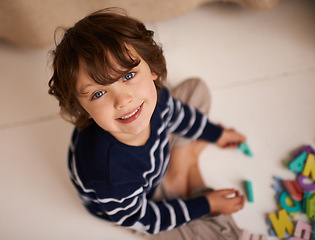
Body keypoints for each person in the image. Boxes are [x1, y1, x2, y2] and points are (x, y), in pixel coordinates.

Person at [48, 8, 246, 239]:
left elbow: (180, 115)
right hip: (139, 200)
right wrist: (207, 205)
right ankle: (184, 170)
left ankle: (179, 170)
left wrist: (217, 135)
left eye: (129, 76)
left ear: (152, 69)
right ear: (83, 109)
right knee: (210, 231)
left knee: (195, 90)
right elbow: (143, 219)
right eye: (98, 94)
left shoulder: (155, 101)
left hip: (155, 163)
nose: (124, 101)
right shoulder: (110, 176)